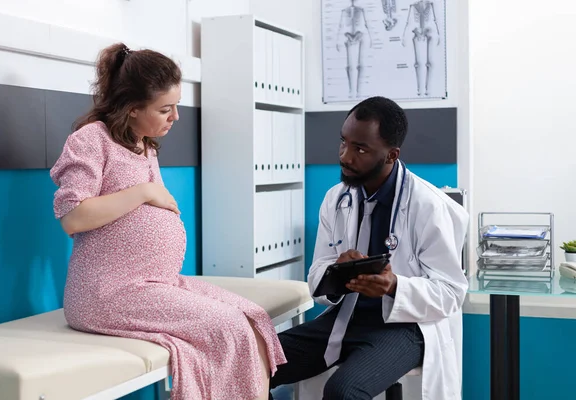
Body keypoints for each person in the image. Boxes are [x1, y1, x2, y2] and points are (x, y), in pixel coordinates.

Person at [50, 43, 286, 400]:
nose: (175, 116)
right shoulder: (90, 140)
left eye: (176, 105)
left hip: (157, 283)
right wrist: (144, 192)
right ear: (131, 109)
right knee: (227, 326)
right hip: (108, 292)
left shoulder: (143, 143)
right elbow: (73, 217)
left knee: (251, 317)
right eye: (165, 109)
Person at [269, 96, 468, 400]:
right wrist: (337, 273)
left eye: (360, 149)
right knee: (250, 363)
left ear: (391, 155)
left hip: (404, 328)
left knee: (343, 392)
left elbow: (452, 292)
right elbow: (316, 278)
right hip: (345, 319)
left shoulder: (429, 207)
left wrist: (394, 286)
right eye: (343, 142)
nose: (345, 156)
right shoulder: (336, 199)